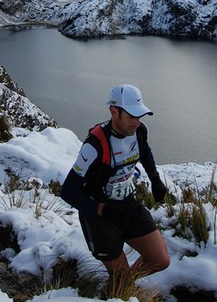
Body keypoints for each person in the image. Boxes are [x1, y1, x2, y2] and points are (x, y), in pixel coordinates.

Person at [61, 84, 170, 286]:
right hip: (99, 215)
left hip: (126, 203)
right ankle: (116, 293)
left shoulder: (139, 131)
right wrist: (101, 210)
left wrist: (155, 180)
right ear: (114, 111)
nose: (137, 122)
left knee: (160, 260)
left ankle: (123, 284)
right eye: (131, 116)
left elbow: (144, 151)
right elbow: (68, 191)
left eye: (140, 116)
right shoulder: (94, 145)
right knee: (121, 280)